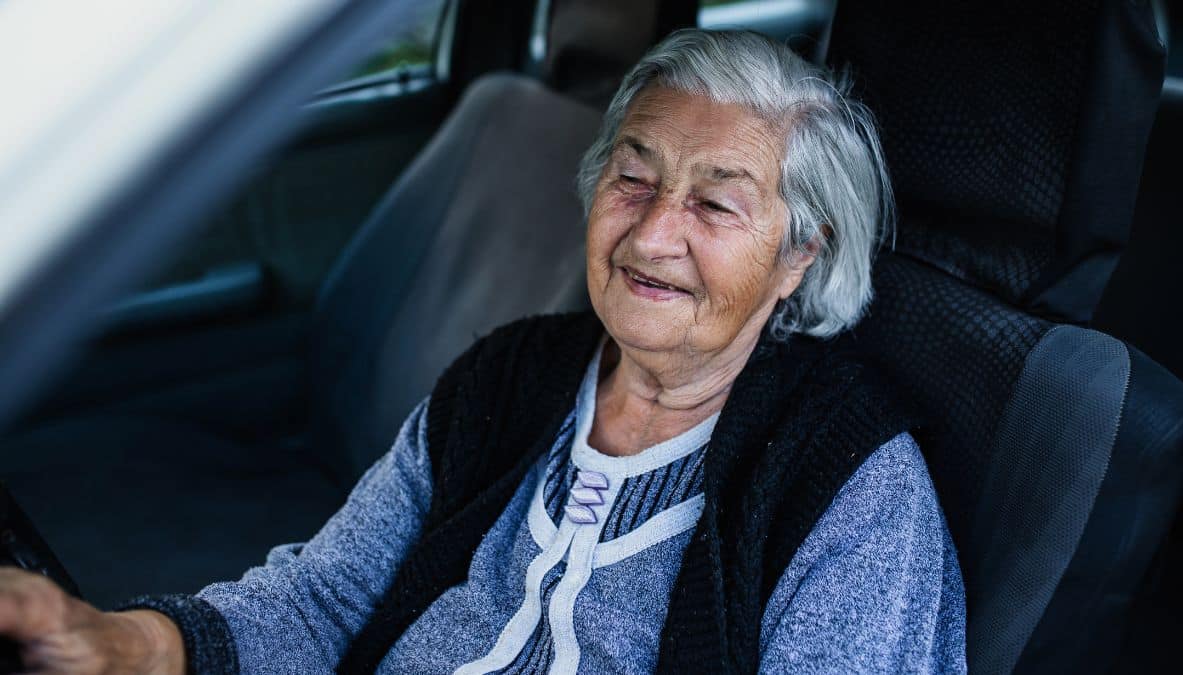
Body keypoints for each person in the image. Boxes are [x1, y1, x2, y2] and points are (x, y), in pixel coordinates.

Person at [0, 29, 965, 674]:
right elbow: (327, 597)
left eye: (715, 203)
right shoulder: (511, 379)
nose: (652, 233)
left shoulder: (849, 486)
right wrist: (123, 643)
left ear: (801, 254)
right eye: (633, 178)